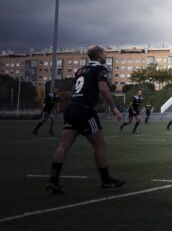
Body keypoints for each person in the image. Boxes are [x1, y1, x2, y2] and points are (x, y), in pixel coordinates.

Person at [46, 45, 124, 194]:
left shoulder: (80, 70)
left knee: (63, 145)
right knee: (99, 146)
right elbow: (103, 88)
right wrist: (114, 108)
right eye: (105, 52)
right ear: (100, 55)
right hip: (85, 110)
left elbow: (76, 90)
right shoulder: (100, 68)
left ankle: (53, 182)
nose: (106, 55)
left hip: (72, 108)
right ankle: (106, 181)